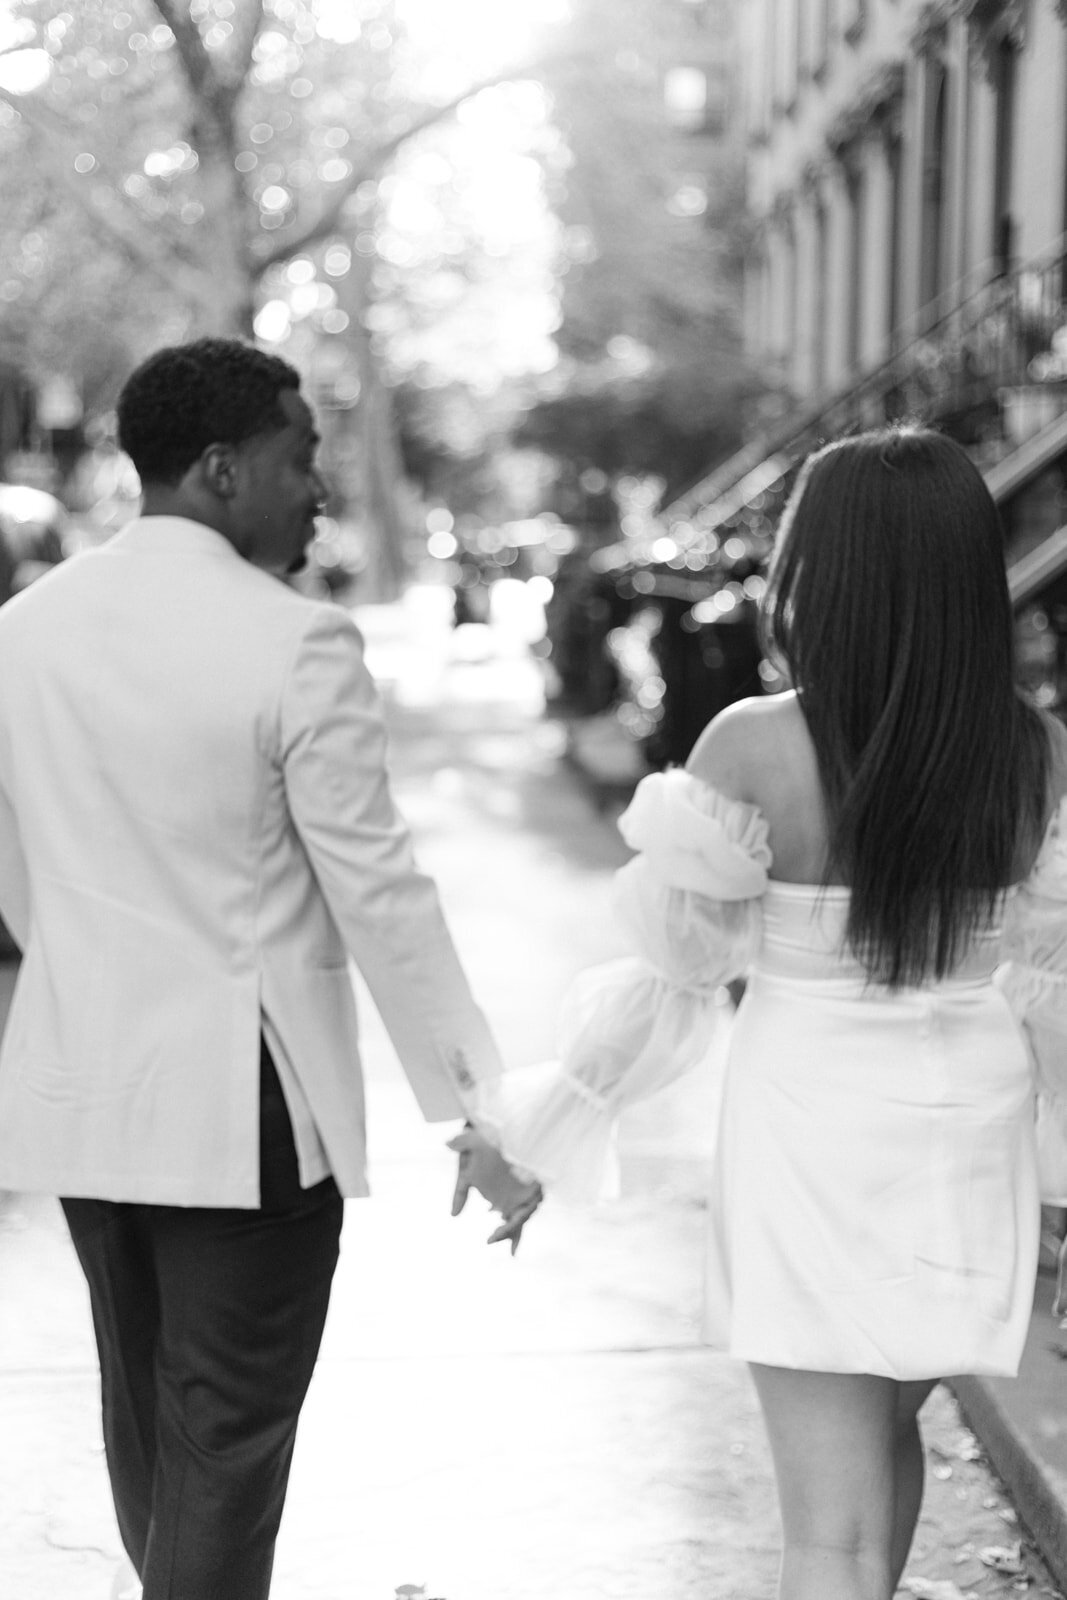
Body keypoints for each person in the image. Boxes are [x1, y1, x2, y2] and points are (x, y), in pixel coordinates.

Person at [473, 426, 1067, 1600]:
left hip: (810, 1135)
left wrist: (531, 1136)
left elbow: (672, 974)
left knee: (824, 1535)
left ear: (817, 573)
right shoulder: (1032, 753)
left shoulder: (752, 746)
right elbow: (1048, 989)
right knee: (882, 1441)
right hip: (964, 1134)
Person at [0, 337, 540, 1600]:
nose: (320, 491)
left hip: (82, 1090)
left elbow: (12, 875)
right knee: (224, 1447)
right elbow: (381, 899)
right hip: (240, 1112)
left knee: (152, 1426)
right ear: (223, 467)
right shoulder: (297, 641)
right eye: (302, 460)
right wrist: (483, 1108)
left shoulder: (20, 632)